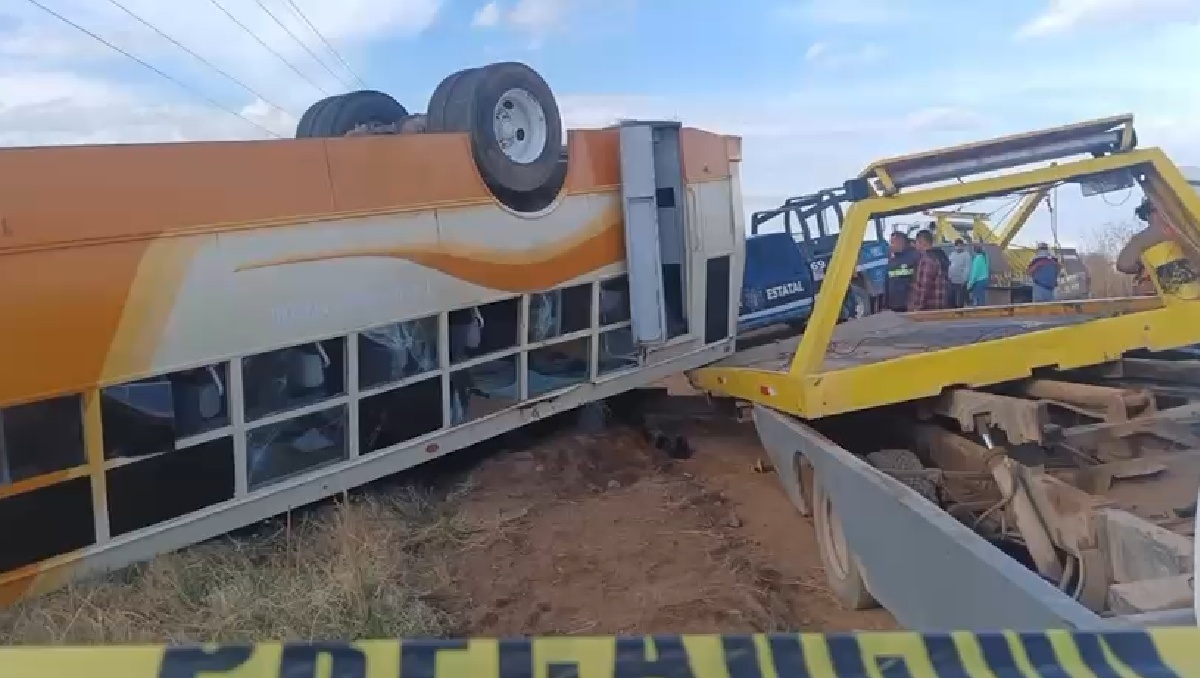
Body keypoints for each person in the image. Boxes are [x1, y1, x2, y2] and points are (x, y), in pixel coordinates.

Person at [908, 229, 949, 311]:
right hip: (938, 306)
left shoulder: (926, 260)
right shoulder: (939, 256)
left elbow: (923, 288)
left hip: (927, 310)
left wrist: (916, 308)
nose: (915, 245)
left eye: (916, 242)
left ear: (922, 242)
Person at [885, 230, 920, 312]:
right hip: (893, 305)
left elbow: (919, 282)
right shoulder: (891, 260)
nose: (891, 245)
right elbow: (887, 282)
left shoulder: (915, 257)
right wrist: (885, 304)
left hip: (908, 305)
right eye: (891, 242)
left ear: (902, 243)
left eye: (894, 243)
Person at [946, 238, 972, 308]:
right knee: (951, 299)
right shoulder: (952, 254)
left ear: (963, 246)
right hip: (952, 281)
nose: (959, 247)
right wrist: (949, 276)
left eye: (960, 246)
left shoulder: (966, 255)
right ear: (955, 246)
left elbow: (967, 268)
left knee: (960, 300)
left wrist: (965, 279)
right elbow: (949, 265)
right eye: (957, 245)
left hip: (961, 282)